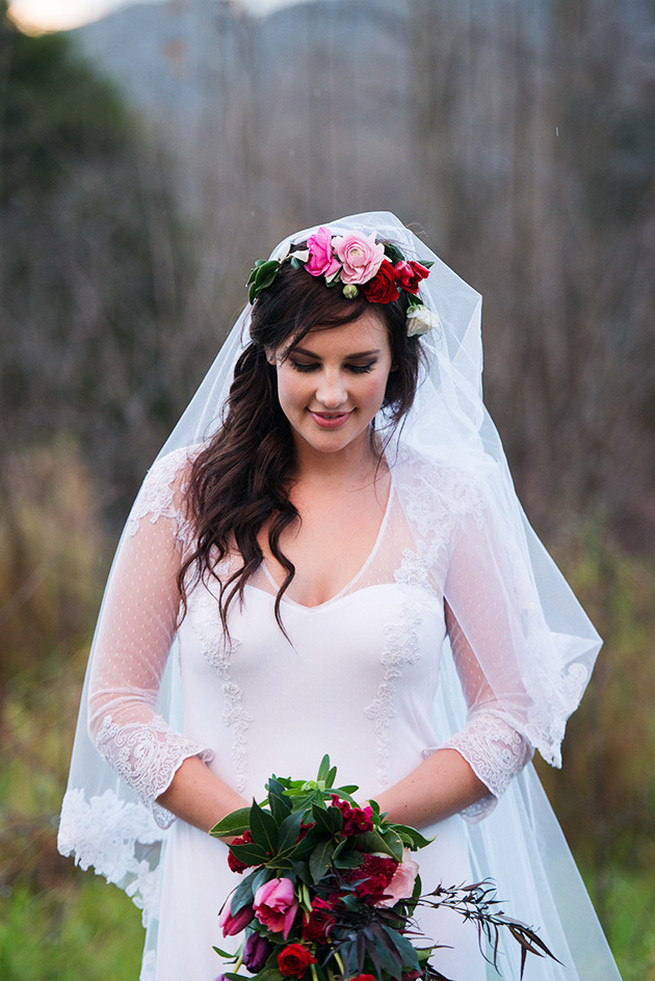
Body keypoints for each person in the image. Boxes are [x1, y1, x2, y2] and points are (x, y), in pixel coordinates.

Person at [58, 212, 622, 981]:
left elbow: (512, 709)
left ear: (398, 363)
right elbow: (118, 702)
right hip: (229, 890)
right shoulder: (185, 494)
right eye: (305, 361)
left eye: (358, 363)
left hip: (405, 883)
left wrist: (366, 832)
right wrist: (257, 839)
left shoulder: (450, 497)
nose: (330, 392)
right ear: (267, 357)